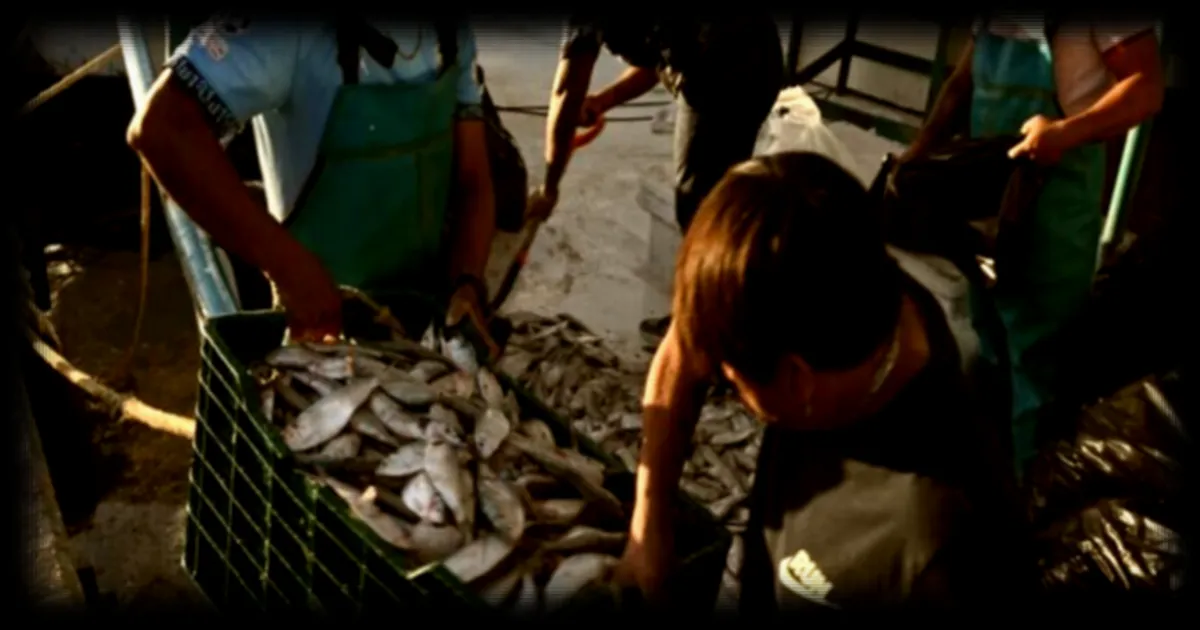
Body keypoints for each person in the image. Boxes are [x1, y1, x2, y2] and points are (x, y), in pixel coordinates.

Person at [614, 152, 1029, 613]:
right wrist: (648, 525)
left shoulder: (934, 543)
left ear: (795, 378)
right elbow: (685, 347)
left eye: (730, 379)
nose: (718, 376)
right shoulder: (848, 288)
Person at [127, 16, 501, 356]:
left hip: (426, 313)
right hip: (321, 329)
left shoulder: (452, 34)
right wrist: (287, 267)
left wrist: (467, 280)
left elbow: (473, 180)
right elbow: (162, 130)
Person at [900, 15, 1164, 478]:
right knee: (988, 335)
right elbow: (964, 81)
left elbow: (1145, 87)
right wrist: (920, 150)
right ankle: (984, 476)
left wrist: (1068, 133)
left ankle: (1031, 500)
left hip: (1055, 199)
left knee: (1040, 356)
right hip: (989, 195)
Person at [528, 15, 783, 348]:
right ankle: (717, 319)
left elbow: (566, 93)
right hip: (755, 55)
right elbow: (658, 56)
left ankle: (707, 336)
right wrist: (605, 100)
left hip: (725, 70)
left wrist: (549, 188)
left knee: (699, 209)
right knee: (720, 202)